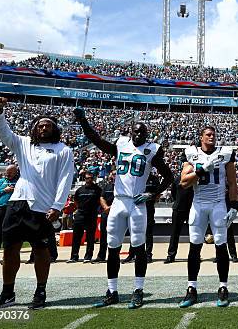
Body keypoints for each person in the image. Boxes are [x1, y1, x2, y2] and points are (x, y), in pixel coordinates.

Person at [74, 107, 174, 309]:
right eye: (135, 131)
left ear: (147, 135)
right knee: (112, 247)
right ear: (130, 131)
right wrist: (83, 121)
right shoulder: (121, 144)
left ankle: (138, 290)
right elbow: (97, 140)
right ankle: (112, 291)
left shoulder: (152, 150)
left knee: (139, 248)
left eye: (142, 132)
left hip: (137, 203)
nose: (138, 135)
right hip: (119, 201)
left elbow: (169, 176)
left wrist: (152, 193)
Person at [0, 97, 74, 310]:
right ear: (35, 128)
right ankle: (7, 293)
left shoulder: (63, 150)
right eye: (40, 125)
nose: (43, 128)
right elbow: (2, 131)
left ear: (54, 129)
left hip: (42, 207)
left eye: (48, 125)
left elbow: (65, 179)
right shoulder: (23, 143)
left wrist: (58, 206)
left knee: (41, 249)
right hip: (17, 203)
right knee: (9, 249)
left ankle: (40, 291)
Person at [178, 126, 238, 308]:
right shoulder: (191, 153)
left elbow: (232, 182)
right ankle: (191, 288)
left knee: (221, 246)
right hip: (198, 204)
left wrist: (234, 206)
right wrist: (201, 170)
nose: (212, 137)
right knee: (195, 246)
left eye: (214, 134)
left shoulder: (225, 153)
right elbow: (183, 182)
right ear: (201, 137)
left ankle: (223, 287)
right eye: (208, 134)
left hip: (218, 204)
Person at [123, 170, 162, 263]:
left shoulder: (155, 179)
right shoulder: (137, 178)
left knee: (148, 232)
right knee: (134, 230)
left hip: (149, 208)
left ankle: (148, 254)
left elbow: (158, 195)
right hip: (136, 208)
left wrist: (150, 197)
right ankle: (132, 254)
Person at [67, 172, 102, 263]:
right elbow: (76, 202)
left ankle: (88, 256)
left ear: (93, 178)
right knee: (76, 237)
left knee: (90, 238)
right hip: (80, 215)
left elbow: (100, 201)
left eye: (90, 178)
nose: (89, 180)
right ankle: (74, 256)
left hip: (91, 216)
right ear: (84, 179)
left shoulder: (98, 190)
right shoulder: (80, 190)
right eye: (87, 178)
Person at [165, 181, 193, 263]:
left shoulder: (194, 178)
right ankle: (171, 255)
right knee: (174, 233)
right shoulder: (177, 179)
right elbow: (173, 193)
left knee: (194, 234)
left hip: (192, 209)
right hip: (178, 209)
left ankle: (194, 255)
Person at [94, 171, 115, 263]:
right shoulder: (107, 186)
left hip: (117, 213)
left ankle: (113, 256)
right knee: (103, 235)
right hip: (106, 213)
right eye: (112, 174)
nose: (113, 175)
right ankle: (101, 256)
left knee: (115, 235)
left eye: (115, 174)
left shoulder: (122, 187)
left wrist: (111, 207)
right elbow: (102, 197)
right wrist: (106, 207)